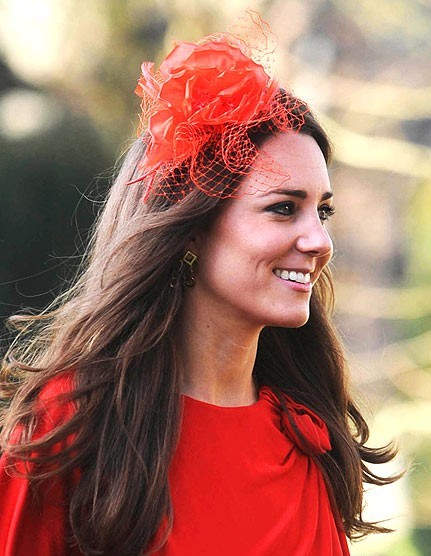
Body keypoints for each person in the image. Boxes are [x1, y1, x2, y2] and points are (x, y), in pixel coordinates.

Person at [0, 18, 398, 556]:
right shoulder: (71, 427)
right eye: (284, 208)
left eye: (322, 211)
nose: (319, 240)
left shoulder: (308, 438)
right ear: (191, 227)